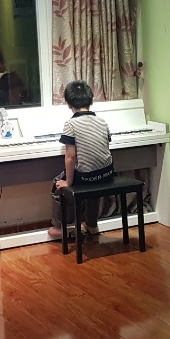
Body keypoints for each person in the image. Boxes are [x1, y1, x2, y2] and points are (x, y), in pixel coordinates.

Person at [48, 80, 114, 240]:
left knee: (57, 184)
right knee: (93, 186)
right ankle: (91, 224)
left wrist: (68, 182)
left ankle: (60, 227)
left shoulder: (71, 124)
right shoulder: (102, 121)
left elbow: (71, 157)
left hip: (86, 177)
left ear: (68, 103)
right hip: (107, 175)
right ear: (91, 100)